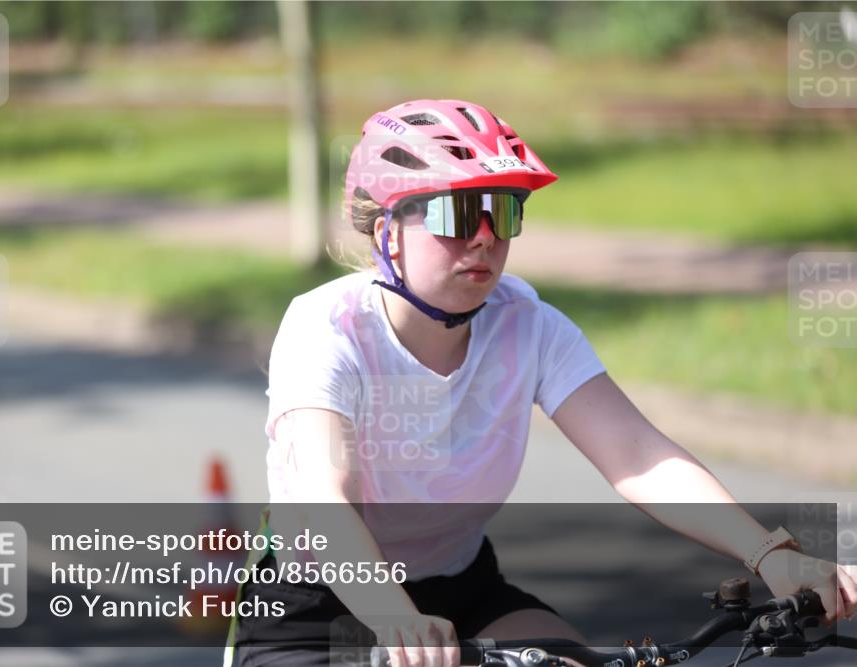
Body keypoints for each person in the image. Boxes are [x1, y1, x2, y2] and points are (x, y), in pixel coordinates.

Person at [226, 99, 856, 667]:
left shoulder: (528, 325)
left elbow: (638, 455)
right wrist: (391, 615)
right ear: (387, 231)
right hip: (314, 608)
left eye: (502, 212)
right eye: (456, 212)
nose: (484, 238)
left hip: (463, 590)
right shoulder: (325, 329)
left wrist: (772, 554)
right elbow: (322, 498)